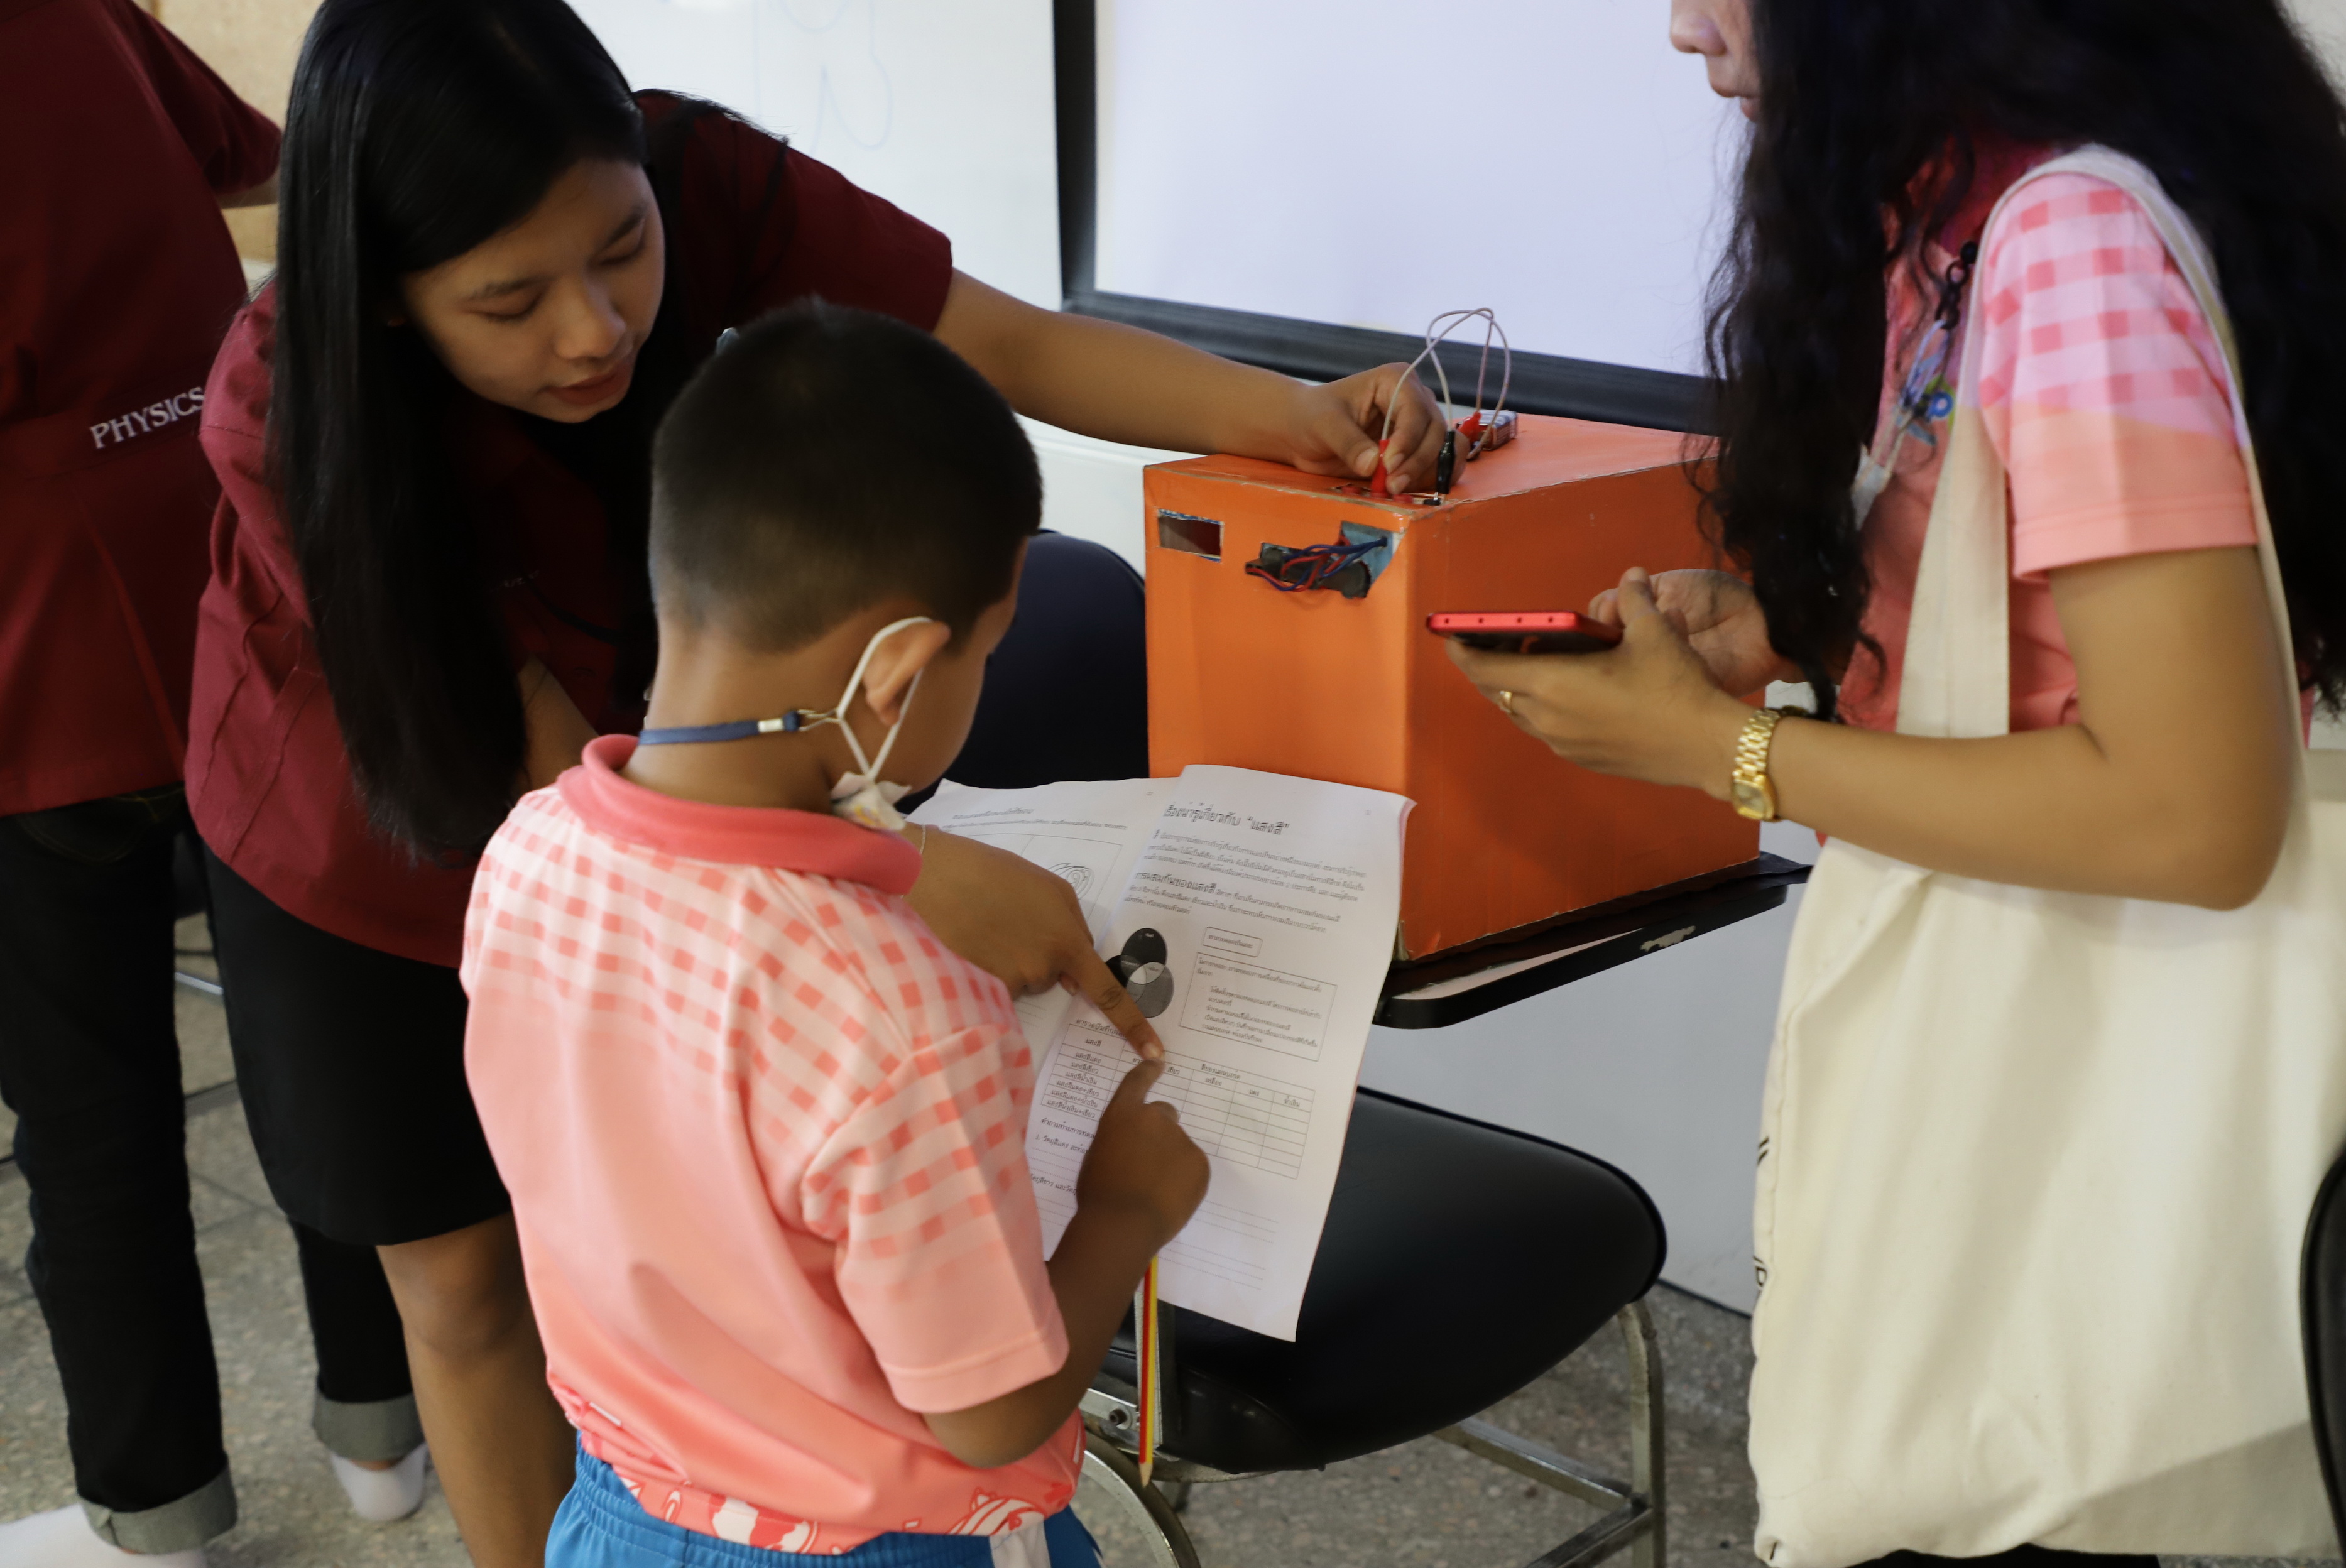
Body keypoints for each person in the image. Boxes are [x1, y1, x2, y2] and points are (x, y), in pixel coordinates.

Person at [184, 1, 1436, 1563]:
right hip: (382, 819)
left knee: (696, 1243)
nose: (594, 330)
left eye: (624, 251)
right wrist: (901, 877)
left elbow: (1004, 345)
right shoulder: (283, 416)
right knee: (464, 1279)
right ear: (382, 296)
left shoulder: (696, 176)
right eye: (511, 300)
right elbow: (549, 767)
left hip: (637, 814)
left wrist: (1295, 418)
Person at [1449, 0, 2346, 1563]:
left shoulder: (2069, 246)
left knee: (1996, 1458)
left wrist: (1726, 754)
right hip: (2032, 986)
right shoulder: (1966, 218)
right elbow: (2041, 625)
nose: (1684, 29)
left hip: (2061, 1018)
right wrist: (1801, 634)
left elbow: (2195, 816)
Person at [461, 301, 1208, 1568]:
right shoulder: (902, 1010)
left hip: (619, 1517)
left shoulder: (528, 855)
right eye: (985, 656)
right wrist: (1122, 1214)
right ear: (896, 672)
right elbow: (990, 1417)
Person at [0, 3, 428, 1564]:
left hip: (32, 663)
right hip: (236, 584)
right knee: (327, 1040)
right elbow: (260, 161)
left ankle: (159, 1509)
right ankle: (389, 1431)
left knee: (88, 1116)